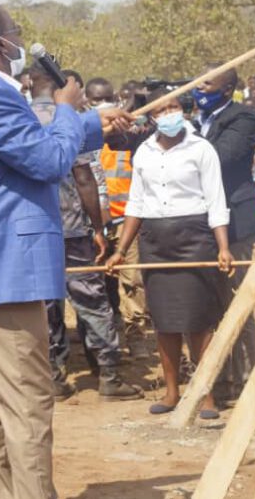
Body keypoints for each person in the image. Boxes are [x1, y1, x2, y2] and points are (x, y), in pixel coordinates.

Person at [0, 1, 131, 499]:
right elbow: (49, 160)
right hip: (5, 269)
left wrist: (95, 123)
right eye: (17, 32)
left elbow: (30, 144)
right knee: (28, 402)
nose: (23, 39)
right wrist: (68, 108)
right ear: (3, 45)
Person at [106, 86, 231, 419]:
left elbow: (216, 200)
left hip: (195, 239)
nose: (170, 114)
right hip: (155, 243)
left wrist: (223, 247)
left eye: (175, 107)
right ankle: (172, 392)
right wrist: (120, 250)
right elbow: (136, 203)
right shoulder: (144, 152)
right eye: (162, 110)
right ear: (151, 116)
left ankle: (205, 396)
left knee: (199, 322)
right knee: (164, 322)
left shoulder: (201, 148)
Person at [29, 66, 141, 402]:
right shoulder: (69, 122)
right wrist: (98, 228)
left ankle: (54, 376)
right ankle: (108, 374)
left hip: (37, 230)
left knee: (46, 306)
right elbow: (84, 178)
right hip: (73, 227)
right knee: (92, 301)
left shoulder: (20, 120)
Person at [192, 65, 255, 399]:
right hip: (200, 224)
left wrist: (182, 138)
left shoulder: (243, 117)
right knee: (209, 304)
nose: (200, 87)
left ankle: (249, 380)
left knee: (238, 302)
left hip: (235, 223)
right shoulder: (193, 120)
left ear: (226, 89)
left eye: (207, 83)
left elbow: (221, 158)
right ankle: (218, 380)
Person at [86, 77, 149, 360]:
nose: (104, 104)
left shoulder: (130, 132)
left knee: (132, 281)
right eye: (98, 100)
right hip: (95, 221)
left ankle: (137, 339)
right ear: (87, 102)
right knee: (99, 283)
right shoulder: (83, 135)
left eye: (109, 98)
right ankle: (108, 343)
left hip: (127, 219)